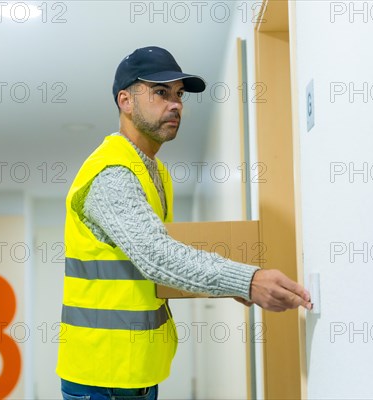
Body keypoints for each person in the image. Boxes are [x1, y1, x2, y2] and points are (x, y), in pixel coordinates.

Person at [56, 46, 312, 400]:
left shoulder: (156, 172)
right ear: (125, 101)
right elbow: (157, 257)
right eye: (161, 93)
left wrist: (229, 284)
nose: (175, 104)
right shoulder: (112, 172)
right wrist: (248, 281)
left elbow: (159, 259)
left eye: (179, 94)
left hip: (136, 372)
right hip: (102, 377)